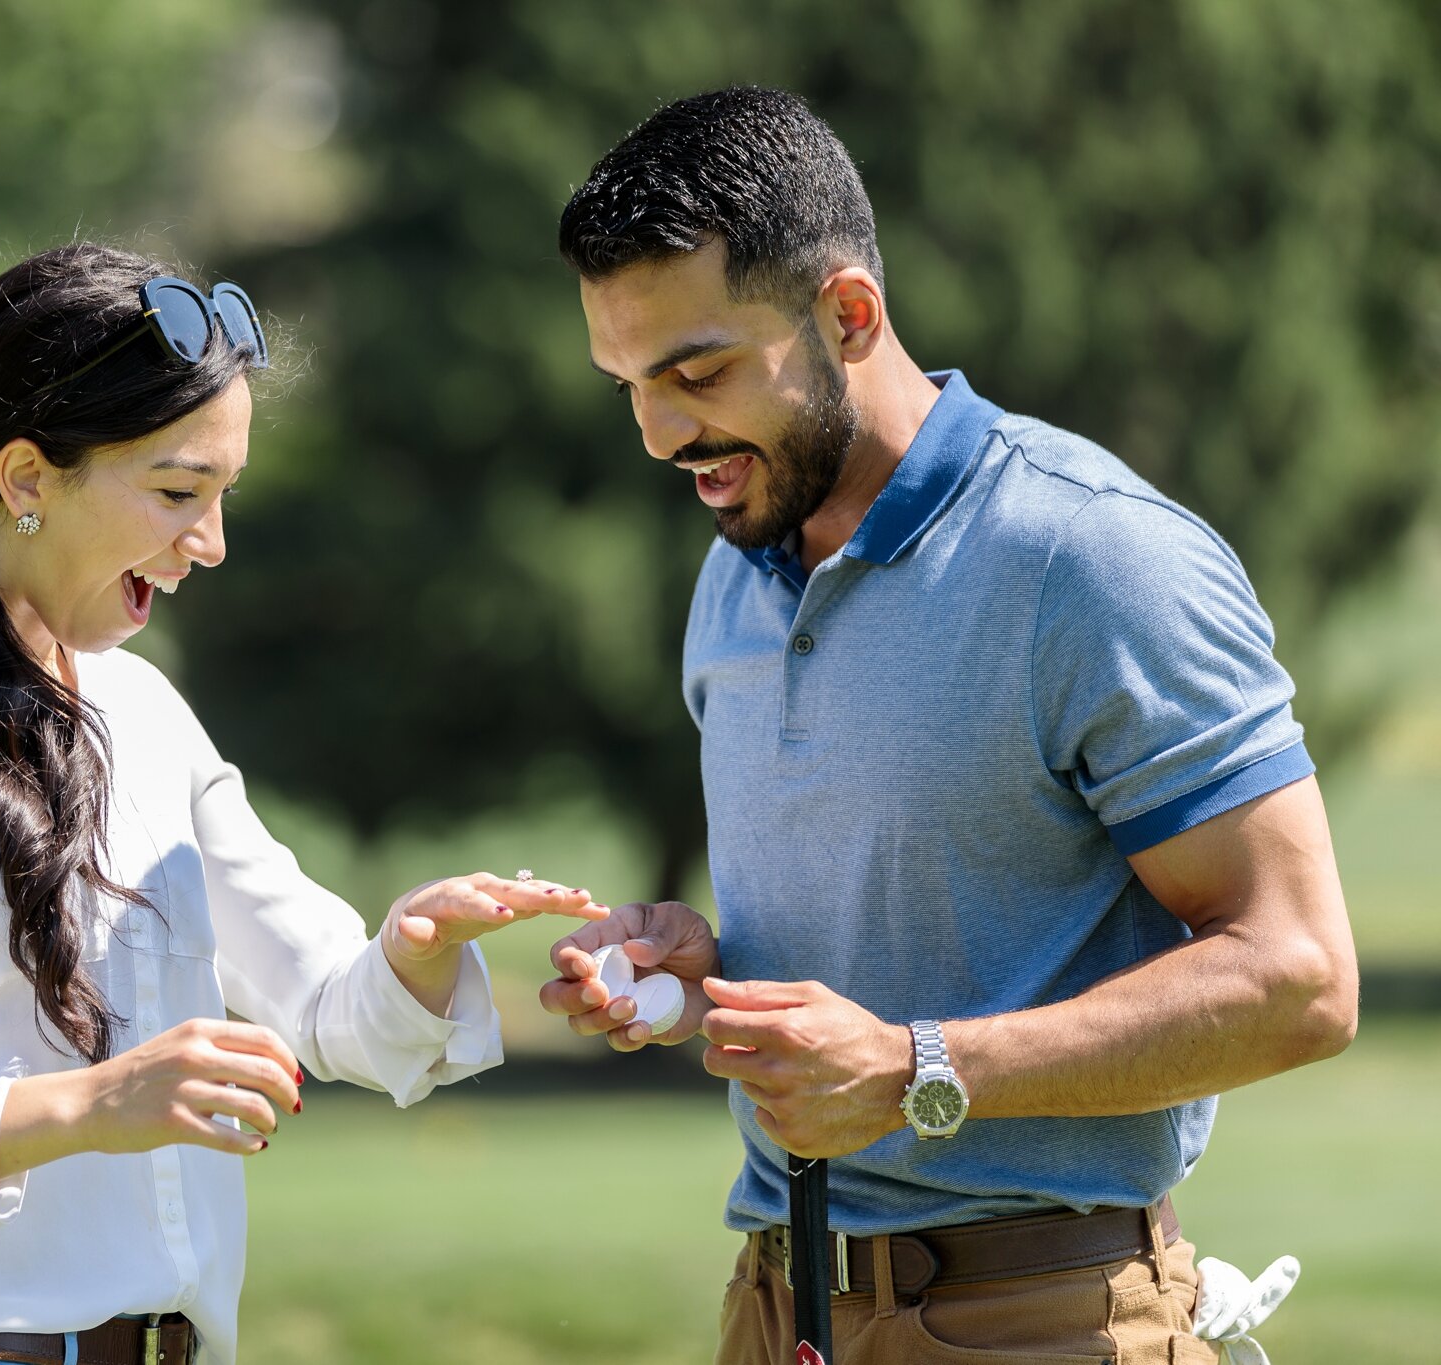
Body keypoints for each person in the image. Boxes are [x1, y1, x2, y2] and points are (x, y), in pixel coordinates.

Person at [0, 241, 608, 1365]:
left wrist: (412, 950)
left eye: (223, 495)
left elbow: (320, 1005)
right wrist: (79, 1110)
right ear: (25, 479)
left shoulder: (143, 711)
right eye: (177, 492)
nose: (208, 544)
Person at [539, 88, 1358, 1364]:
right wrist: (701, 969)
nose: (656, 433)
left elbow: (1298, 978)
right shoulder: (734, 564)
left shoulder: (1087, 555)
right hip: (773, 1305)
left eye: (694, 372)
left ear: (847, 314)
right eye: (626, 384)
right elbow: (884, 950)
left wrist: (917, 1065)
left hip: (1043, 1317)